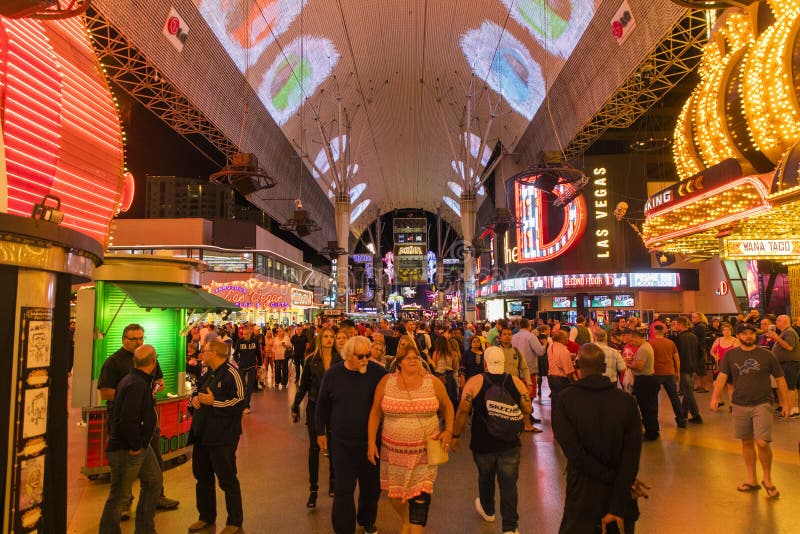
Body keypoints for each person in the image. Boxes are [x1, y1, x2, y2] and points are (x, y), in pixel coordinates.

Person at [552, 343, 643, 534]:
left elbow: (574, 453)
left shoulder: (564, 400)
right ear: (603, 368)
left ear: (577, 366)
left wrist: (608, 477)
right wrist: (620, 490)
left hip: (582, 496)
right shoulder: (626, 402)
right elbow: (632, 456)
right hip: (620, 497)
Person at [367, 346, 454, 533]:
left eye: (416, 358)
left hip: (425, 453)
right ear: (398, 363)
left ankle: (414, 526)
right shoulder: (386, 382)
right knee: (394, 496)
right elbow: (375, 412)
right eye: (408, 358)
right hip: (393, 454)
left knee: (420, 497)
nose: (413, 360)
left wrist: (449, 431)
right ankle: (406, 520)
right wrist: (370, 443)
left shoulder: (432, 383)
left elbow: (447, 405)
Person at [96, 324, 179, 519]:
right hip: (124, 423)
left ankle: (156, 498)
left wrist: (156, 386)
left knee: (154, 464)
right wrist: (132, 396)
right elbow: (105, 391)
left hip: (148, 422)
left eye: (141, 338)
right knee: (125, 468)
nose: (138, 342)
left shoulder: (148, 358)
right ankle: (124, 506)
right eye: (134, 339)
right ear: (124, 339)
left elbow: (160, 379)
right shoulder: (113, 362)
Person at [452, 346, 531, 534]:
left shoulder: (475, 382)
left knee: (485, 476)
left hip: (483, 442)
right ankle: (510, 528)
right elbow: (527, 408)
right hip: (510, 443)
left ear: (485, 363)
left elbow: (463, 411)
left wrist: (455, 435)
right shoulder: (515, 382)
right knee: (509, 484)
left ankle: (488, 510)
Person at [710, 323, 790, 498]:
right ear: (738, 336)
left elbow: (781, 380)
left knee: (762, 442)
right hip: (739, 404)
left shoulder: (767, 355)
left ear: (756, 335)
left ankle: (767, 479)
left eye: (751, 333)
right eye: (744, 333)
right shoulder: (730, 355)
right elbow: (722, 377)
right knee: (746, 442)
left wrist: (785, 403)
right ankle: (752, 479)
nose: (748, 336)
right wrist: (715, 397)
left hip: (762, 403)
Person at [315, 336, 386, 534]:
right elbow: (322, 405)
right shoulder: (333, 375)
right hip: (342, 443)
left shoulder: (378, 372)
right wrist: (320, 432)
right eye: (361, 356)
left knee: (371, 488)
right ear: (348, 355)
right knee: (343, 490)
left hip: (371, 443)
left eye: (368, 355)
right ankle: (343, 529)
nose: (365, 360)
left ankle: (367, 520)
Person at [99, 345, 163, 534]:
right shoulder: (136, 384)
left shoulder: (136, 380)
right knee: (120, 495)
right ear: (153, 362)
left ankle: (145, 529)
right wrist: (136, 446)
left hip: (139, 446)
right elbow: (128, 419)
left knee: (153, 481)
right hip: (128, 449)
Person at [187, 340, 246, 534]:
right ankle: (206, 516)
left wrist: (215, 402)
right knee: (202, 477)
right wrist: (195, 400)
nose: (201, 354)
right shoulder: (207, 373)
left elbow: (239, 402)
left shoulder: (232, 374)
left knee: (227, 479)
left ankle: (234, 520)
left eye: (204, 351)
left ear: (214, 353)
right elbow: (197, 392)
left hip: (223, 437)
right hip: (202, 434)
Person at [291, 327, 342, 507]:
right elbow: (303, 385)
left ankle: (334, 481)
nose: (329, 339)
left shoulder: (339, 361)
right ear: (320, 340)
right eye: (326, 336)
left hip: (334, 408)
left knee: (334, 445)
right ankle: (313, 489)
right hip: (315, 407)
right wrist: (295, 405)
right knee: (314, 448)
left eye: (331, 337)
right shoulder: (311, 360)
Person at [625, 330, 659, 441]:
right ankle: (653, 429)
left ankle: (651, 433)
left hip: (645, 381)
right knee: (651, 407)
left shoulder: (643, 349)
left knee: (646, 408)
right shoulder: (646, 346)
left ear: (636, 338)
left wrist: (626, 364)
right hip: (648, 380)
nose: (631, 344)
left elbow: (639, 367)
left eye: (631, 341)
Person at [650, 324, 686, 428]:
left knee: (653, 399)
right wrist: (677, 372)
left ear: (655, 331)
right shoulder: (671, 343)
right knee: (674, 397)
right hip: (670, 373)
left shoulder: (651, 343)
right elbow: (677, 359)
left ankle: (654, 422)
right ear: (664, 331)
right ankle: (681, 420)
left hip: (656, 373)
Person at [511, 318, 543, 431]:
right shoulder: (531, 336)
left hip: (516, 371)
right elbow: (540, 351)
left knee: (520, 394)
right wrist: (545, 344)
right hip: (529, 370)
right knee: (530, 395)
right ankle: (527, 418)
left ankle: (525, 416)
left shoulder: (513, 337)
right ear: (529, 325)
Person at [767, 314, 800, 418]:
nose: (776, 323)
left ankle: (790, 410)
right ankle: (794, 409)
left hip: (790, 363)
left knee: (789, 387)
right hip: (787, 363)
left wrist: (777, 338)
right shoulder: (785, 332)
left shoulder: (789, 332)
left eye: (778, 320)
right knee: (791, 386)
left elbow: (790, 347)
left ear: (785, 322)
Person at [673, 316, 703, 424]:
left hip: (683, 368)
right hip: (692, 368)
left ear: (681, 325)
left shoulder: (679, 339)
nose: (674, 326)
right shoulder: (694, 337)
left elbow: (676, 356)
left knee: (688, 392)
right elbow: (700, 353)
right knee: (687, 391)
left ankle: (696, 415)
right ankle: (683, 413)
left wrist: (676, 369)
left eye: (676, 324)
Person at [233, 325, 261, 414]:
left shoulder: (255, 341)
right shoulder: (240, 341)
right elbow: (235, 354)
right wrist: (238, 362)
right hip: (242, 367)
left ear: (251, 333)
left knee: (249, 387)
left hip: (252, 366)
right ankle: (241, 404)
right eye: (244, 333)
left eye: (248, 333)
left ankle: (246, 406)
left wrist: (259, 366)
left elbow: (259, 354)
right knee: (241, 386)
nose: (246, 335)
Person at [709, 322, 739, 409]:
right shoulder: (718, 340)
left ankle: (732, 404)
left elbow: (738, 353)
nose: (726, 331)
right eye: (724, 330)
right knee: (716, 384)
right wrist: (715, 356)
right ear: (722, 331)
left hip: (730, 365)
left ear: (731, 331)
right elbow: (711, 351)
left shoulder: (735, 341)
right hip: (719, 364)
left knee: (730, 385)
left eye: (728, 330)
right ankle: (719, 400)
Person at [547, 330, 576, 399]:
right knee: (563, 402)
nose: (567, 339)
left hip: (551, 378)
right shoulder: (564, 351)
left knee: (555, 401)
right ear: (560, 339)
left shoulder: (551, 346)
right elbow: (569, 371)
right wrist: (574, 382)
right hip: (561, 380)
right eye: (566, 337)